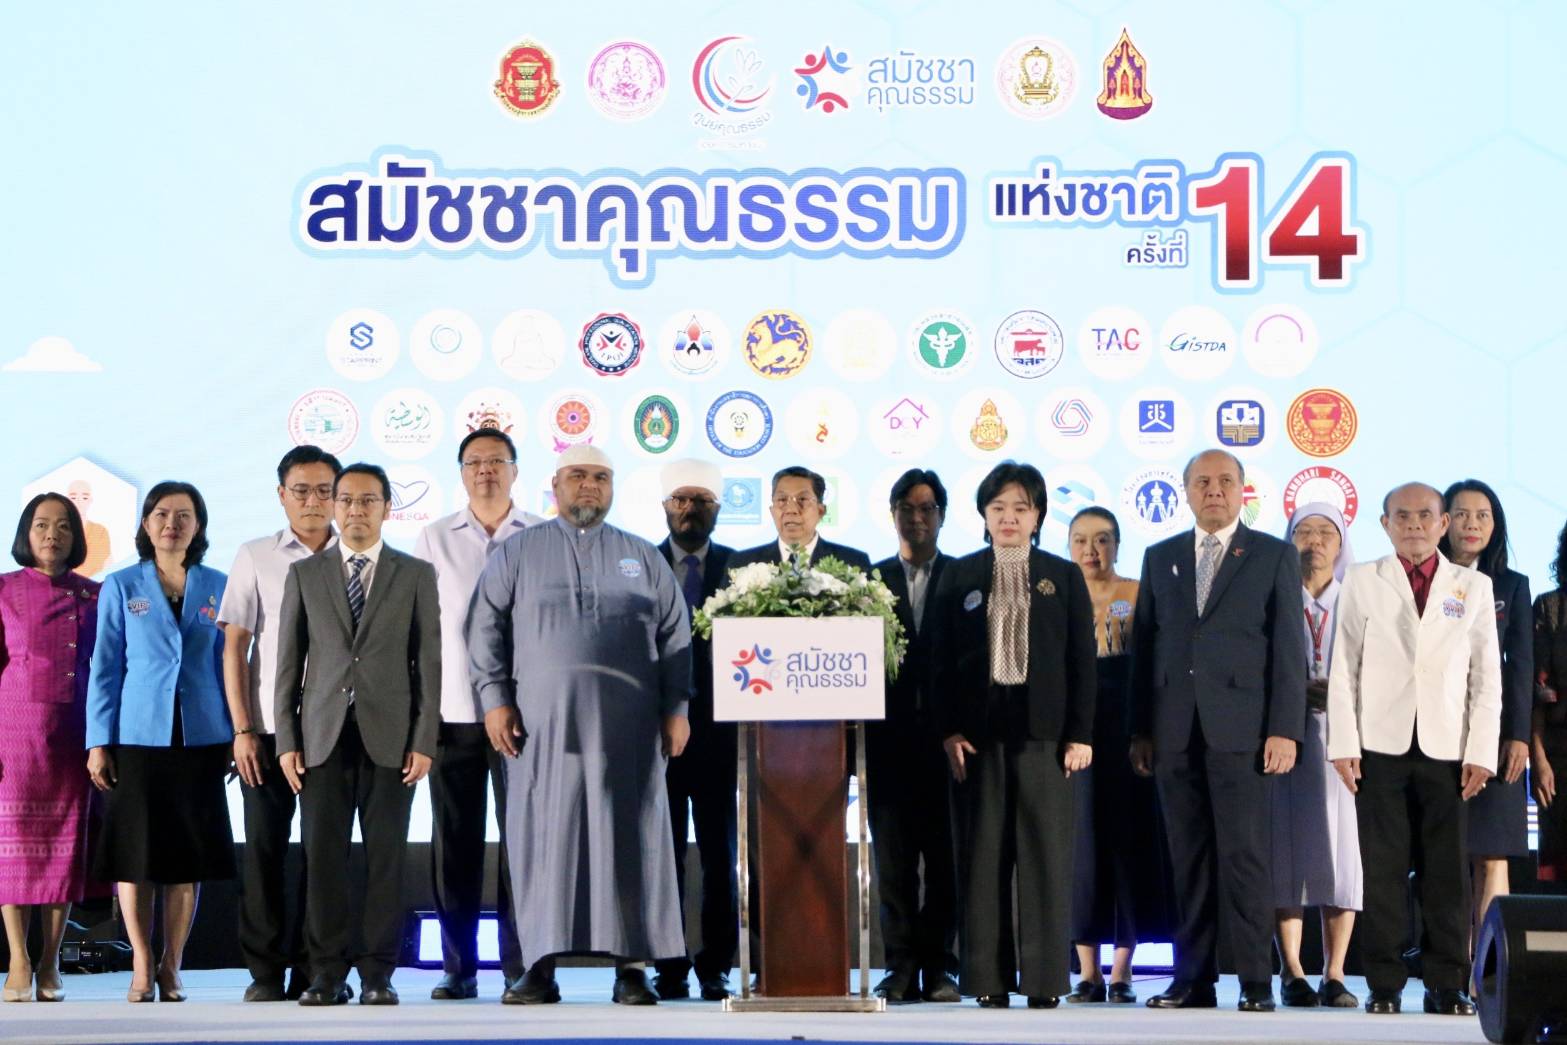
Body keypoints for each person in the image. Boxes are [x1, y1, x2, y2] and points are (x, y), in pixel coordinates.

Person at [466, 445, 692, 1006]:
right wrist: (494, 700)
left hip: (629, 731)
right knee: (542, 840)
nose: (589, 485)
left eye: (600, 477)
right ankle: (538, 966)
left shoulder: (642, 556)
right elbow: (485, 627)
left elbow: (676, 636)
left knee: (632, 838)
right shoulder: (519, 551)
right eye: (577, 476)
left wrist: (677, 709)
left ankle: (632, 968)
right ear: (555, 485)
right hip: (541, 729)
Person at [1129, 449, 1306, 1013]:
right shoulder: (1160, 557)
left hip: (1244, 732)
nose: (1214, 491)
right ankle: (1193, 980)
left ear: (1242, 491)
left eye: (1225, 481)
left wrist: (1285, 729)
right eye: (1202, 482)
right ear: (1185, 492)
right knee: (1187, 861)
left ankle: (1255, 981)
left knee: (1245, 858)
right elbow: (1144, 649)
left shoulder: (1273, 555)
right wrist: (1140, 729)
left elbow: (1289, 650)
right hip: (1174, 733)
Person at [1327, 482, 1502, 1016]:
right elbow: (1343, 666)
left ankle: (1447, 983)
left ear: (1443, 524)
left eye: (1425, 515)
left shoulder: (1472, 586)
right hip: (1378, 745)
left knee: (1446, 872)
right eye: (1401, 516)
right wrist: (1343, 742)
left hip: (1449, 747)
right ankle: (1383, 983)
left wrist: (1482, 750)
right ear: (1385, 525)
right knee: (1382, 870)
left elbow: (1486, 676)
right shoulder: (1362, 579)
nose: (1414, 525)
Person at [274, 462, 441, 1007]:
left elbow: (428, 664)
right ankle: (326, 972)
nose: (355, 510)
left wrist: (424, 739)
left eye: (368, 500)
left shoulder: (414, 573)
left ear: (387, 507)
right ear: (333, 506)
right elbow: (288, 664)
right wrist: (286, 740)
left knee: (386, 859)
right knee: (323, 858)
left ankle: (377, 973)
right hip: (321, 737)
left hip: (392, 738)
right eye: (345, 500)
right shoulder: (306, 574)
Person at [933, 461, 1096, 1009]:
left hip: (1046, 738)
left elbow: (1082, 661)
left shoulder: (1062, 576)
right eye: (998, 507)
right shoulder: (958, 575)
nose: (1009, 517)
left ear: (1038, 516)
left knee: (1047, 860)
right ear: (983, 515)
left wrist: (1080, 734)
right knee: (982, 861)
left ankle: (1045, 981)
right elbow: (938, 662)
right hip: (976, 740)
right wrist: (948, 730)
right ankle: (987, 979)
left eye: (1020, 508)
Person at [86, 481, 233, 1003]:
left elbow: (228, 664)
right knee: (136, 857)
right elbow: (105, 667)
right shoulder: (121, 584)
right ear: (147, 524)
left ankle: (173, 966)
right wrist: (98, 741)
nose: (173, 523)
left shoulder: (219, 585)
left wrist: (236, 733)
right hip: (137, 737)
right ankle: (142, 963)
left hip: (202, 736)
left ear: (199, 526)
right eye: (162, 514)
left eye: (184, 515)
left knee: (185, 860)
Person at [413, 429, 540, 1002]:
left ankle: (524, 965)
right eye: (474, 462)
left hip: (524, 715)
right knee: (454, 844)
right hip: (454, 714)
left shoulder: (541, 533)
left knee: (524, 844)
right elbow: (419, 628)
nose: (485, 470)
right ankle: (458, 967)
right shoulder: (434, 537)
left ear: (515, 471)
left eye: (496, 461)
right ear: (461, 473)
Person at [217, 445, 341, 1002]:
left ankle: (316, 968)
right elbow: (235, 647)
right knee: (265, 852)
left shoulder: (358, 554)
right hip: (267, 730)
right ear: (281, 495)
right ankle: (265, 971)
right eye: (301, 490)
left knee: (324, 854)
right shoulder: (255, 555)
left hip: (334, 729)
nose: (313, 501)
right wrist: (242, 730)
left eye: (324, 490)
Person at [1064, 506, 1170, 1006]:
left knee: (1128, 846)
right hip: (1075, 733)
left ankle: (1122, 970)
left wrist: (1144, 731)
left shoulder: (1138, 592)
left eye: (1102, 539)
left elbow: (1152, 667)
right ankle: (1087, 972)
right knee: (1082, 849)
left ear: (1118, 545)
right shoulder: (1058, 596)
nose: (1092, 550)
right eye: (1081, 540)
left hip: (1128, 730)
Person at [0, 494, 104, 1003]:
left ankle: (50, 961)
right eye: (41, 524)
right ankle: (19, 960)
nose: (52, 534)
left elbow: (108, 669)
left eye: (63, 526)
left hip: (75, 735)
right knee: (14, 849)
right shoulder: (3, 589)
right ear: (26, 532)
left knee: (64, 850)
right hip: (13, 734)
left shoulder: (95, 595)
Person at [867, 469, 958, 1004]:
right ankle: (900, 966)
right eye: (907, 508)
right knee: (894, 865)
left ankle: (940, 967)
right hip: (889, 745)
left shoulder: (965, 576)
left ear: (941, 516)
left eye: (927, 509)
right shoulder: (870, 580)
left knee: (946, 863)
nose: (917, 518)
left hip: (950, 746)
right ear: (893, 514)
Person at [650, 458, 736, 1002]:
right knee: (664, 853)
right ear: (665, 507)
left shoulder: (740, 567)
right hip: (655, 732)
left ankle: (716, 965)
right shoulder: (642, 563)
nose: (690, 510)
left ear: (717, 509)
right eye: (681, 500)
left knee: (719, 855)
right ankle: (669, 963)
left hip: (720, 735)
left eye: (701, 501)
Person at [1436, 480, 1532, 955]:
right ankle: (1454, 961)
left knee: (1493, 855)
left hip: (1496, 738)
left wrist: (1518, 736)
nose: (1472, 524)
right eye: (1461, 514)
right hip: (1437, 733)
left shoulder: (1512, 586)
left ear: (1496, 525)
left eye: (1483, 515)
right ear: (1443, 522)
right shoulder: (1425, 579)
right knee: (1446, 854)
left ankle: (1490, 966)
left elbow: (1522, 666)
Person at [1271, 504, 1362, 1008]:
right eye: (1303, 531)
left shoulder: (1357, 601)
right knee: (1284, 852)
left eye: (1326, 532)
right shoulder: (1273, 599)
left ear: (1342, 543)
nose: (1315, 540)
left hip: (1345, 741)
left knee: (1341, 855)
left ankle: (1335, 972)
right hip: (1287, 736)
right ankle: (1292, 970)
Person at [726, 466, 872, 572]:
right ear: (772, 511)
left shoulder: (854, 563)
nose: (791, 510)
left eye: (803, 499)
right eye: (782, 500)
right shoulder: (741, 564)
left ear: (821, 511)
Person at [1532, 520, 1567, 883]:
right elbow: (1538, 690)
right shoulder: (1550, 606)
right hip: (1559, 757)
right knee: (1558, 871)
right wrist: (1539, 760)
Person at [66, 480, 112, 578]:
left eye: (84, 498)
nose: (79, 502)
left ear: (90, 500)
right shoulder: (58, 532)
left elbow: (107, 565)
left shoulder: (100, 531)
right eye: (73, 498)